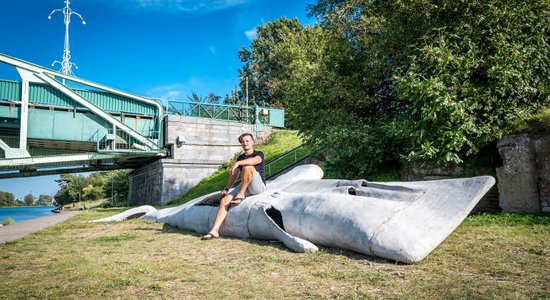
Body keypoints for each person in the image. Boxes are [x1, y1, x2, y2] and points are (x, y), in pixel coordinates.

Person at [201, 133, 266, 240]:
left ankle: (241, 194)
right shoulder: (240, 157)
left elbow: (256, 161)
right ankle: (214, 230)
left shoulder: (258, 154)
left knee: (248, 167)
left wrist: (239, 163)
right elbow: (234, 176)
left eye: (247, 141)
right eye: (243, 142)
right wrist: (227, 188)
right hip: (244, 185)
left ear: (252, 142)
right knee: (224, 201)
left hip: (257, 186)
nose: (245, 143)